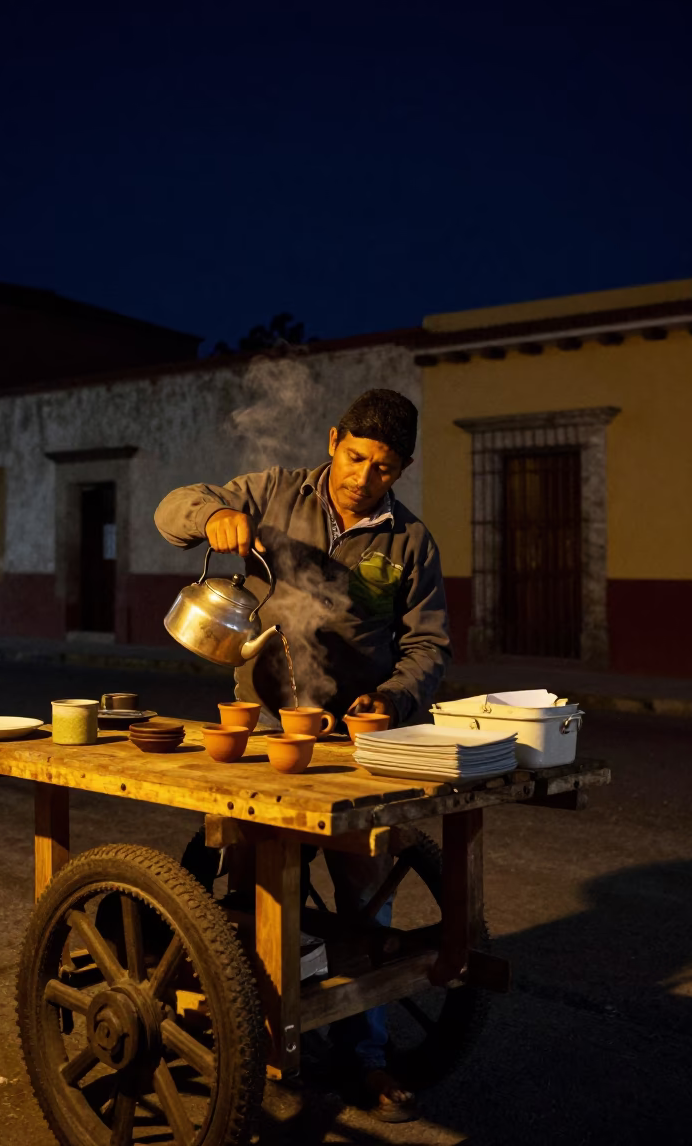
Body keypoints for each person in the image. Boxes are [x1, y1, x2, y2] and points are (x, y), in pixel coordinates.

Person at [154, 387, 450, 1121]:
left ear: (400, 470)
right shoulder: (271, 493)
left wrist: (395, 700)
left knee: (362, 903)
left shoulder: (408, 542)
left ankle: (366, 1057)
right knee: (252, 890)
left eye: (382, 468)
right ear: (332, 442)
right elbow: (170, 510)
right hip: (258, 734)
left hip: (351, 744)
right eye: (354, 457)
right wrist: (210, 517)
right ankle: (247, 1037)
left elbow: (428, 645)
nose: (362, 477)